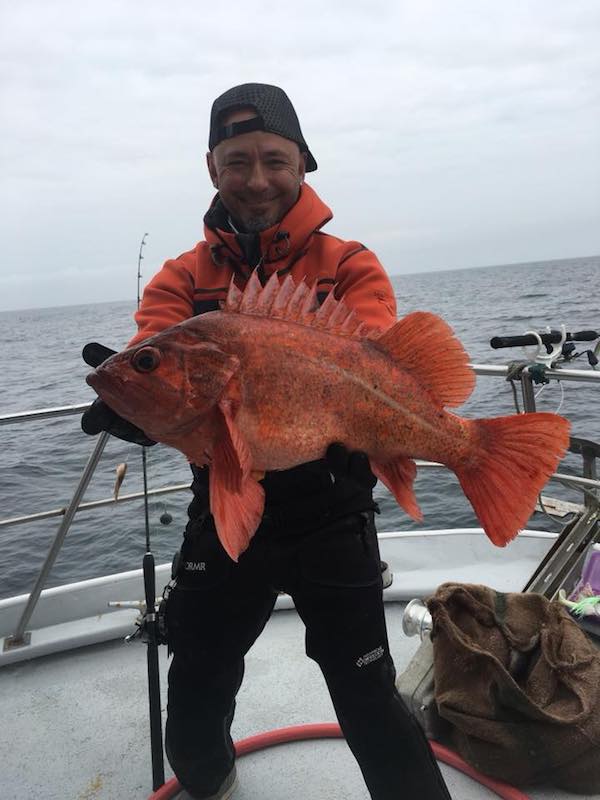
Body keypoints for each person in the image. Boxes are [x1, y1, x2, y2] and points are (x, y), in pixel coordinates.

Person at [82, 84, 452, 800]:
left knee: (368, 690)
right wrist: (138, 392)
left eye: (275, 159)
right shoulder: (183, 278)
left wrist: (363, 422)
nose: (257, 179)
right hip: (222, 506)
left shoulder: (349, 263)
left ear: (305, 164)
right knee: (196, 674)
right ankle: (209, 780)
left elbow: (378, 355)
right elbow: (150, 349)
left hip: (334, 510)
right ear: (212, 167)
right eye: (237, 159)